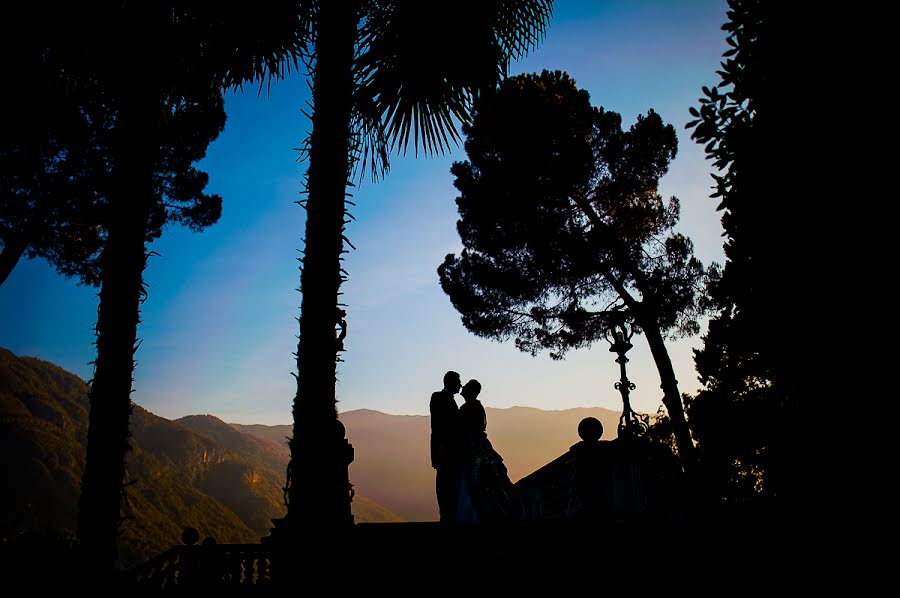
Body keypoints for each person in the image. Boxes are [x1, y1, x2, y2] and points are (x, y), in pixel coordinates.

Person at [456, 379, 518, 523]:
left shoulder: (467, 408)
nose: (462, 388)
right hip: (480, 447)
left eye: (465, 387)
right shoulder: (476, 407)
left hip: (473, 449)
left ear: (470, 391)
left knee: (477, 482)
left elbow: (461, 429)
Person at [430, 370, 462, 523]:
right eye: (458, 382)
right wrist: (441, 445)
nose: (461, 385)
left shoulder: (447, 399)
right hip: (444, 448)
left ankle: (449, 514)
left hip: (451, 450)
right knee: (444, 481)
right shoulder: (438, 397)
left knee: (449, 481)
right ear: (451, 382)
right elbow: (439, 425)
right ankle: (445, 514)